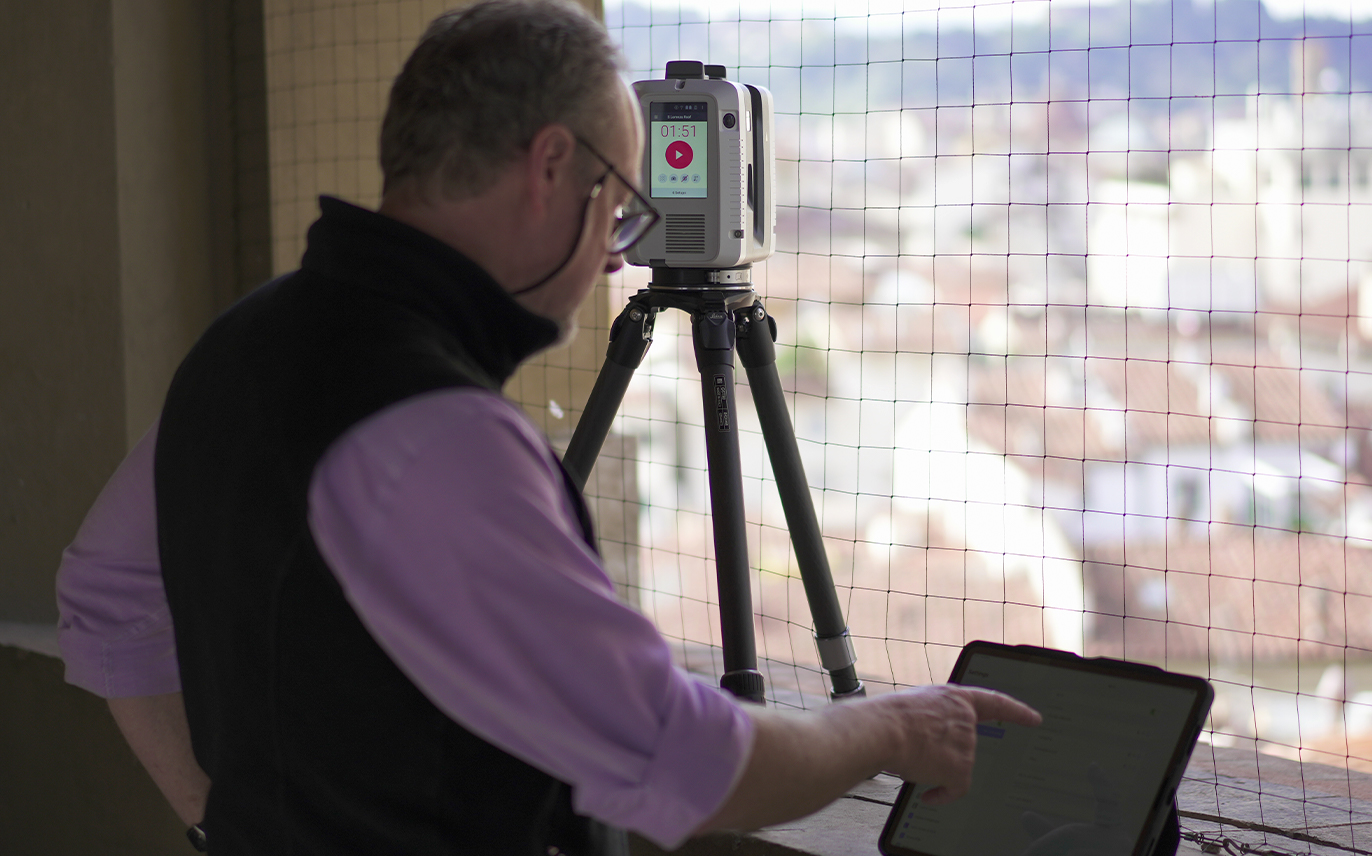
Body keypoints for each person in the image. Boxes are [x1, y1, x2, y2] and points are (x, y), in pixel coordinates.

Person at [54, 1, 1040, 854]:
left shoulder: (248, 338)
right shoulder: (432, 430)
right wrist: (893, 727)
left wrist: (222, 823)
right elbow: (689, 763)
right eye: (616, 208)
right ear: (550, 165)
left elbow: (105, 598)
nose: (619, 259)